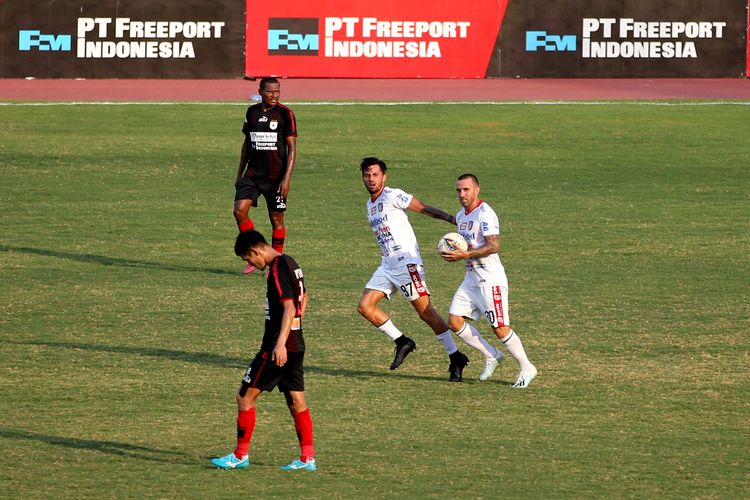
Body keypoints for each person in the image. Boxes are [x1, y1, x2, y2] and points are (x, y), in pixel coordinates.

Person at [357, 157, 501, 382]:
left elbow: (422, 208)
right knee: (365, 306)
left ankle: (455, 356)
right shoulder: (370, 204)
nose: (371, 179)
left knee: (426, 313)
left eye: (375, 175)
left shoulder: (393, 195)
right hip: (387, 264)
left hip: (407, 264)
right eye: (367, 175)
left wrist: (451, 219)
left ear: (384, 177)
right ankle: (402, 341)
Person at [211, 230, 316, 471]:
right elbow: (304, 297)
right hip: (297, 344)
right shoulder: (291, 262)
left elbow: (289, 308)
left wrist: (280, 343)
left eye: (248, 259)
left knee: (244, 397)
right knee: (296, 400)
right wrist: (295, 329)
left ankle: (239, 456)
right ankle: (307, 458)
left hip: (277, 349)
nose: (251, 264)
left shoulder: (277, 268)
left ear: (256, 251)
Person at [441, 174, 538, 388]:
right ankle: (491, 355)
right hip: (472, 278)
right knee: (454, 321)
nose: (462, 194)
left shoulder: (485, 213)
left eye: (466, 189)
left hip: (490, 280)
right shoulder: (461, 215)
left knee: (500, 327)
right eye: (458, 190)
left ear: (477, 189)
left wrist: (465, 256)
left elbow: (493, 245)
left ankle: (526, 367)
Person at [233, 77, 297, 274]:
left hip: (276, 177)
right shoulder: (251, 112)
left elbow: (292, 148)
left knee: (276, 219)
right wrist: (239, 173)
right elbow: (247, 144)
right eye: (270, 92)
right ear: (260, 91)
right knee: (239, 211)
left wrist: (286, 179)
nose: (274, 95)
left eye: (277, 91)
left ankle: (275, 263)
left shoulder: (286, 114)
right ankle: (255, 251)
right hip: (253, 173)